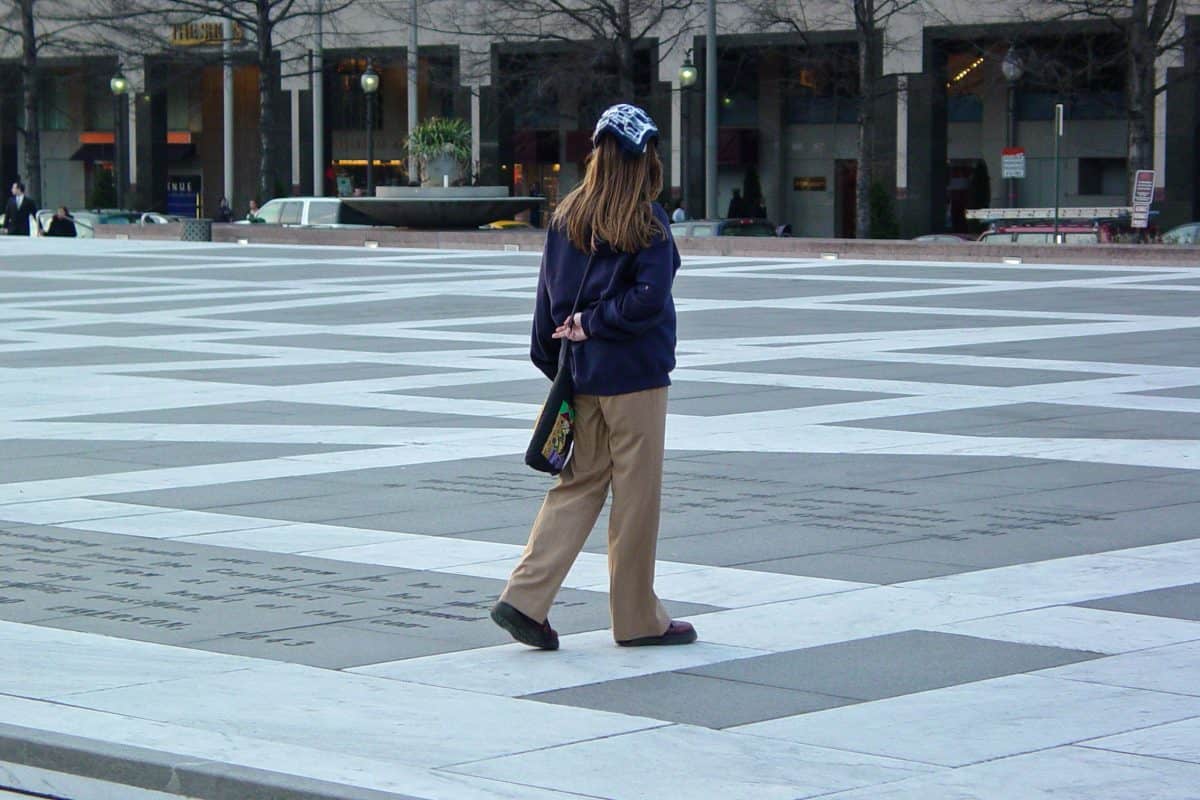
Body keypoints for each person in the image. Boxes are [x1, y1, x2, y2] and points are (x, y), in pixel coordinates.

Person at [490, 103, 696, 651]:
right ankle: (636, 619)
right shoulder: (646, 221)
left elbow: (544, 305)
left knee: (576, 485)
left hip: (581, 377)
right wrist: (599, 322)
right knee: (636, 498)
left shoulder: (566, 216)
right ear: (644, 156)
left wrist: (557, 362)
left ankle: (524, 599)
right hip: (635, 378)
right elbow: (649, 299)